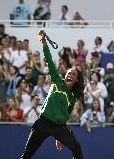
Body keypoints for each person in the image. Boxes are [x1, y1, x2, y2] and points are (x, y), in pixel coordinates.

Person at [20, 31, 84, 159]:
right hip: (43, 122)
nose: (70, 75)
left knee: (77, 148)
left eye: (73, 74)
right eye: (69, 73)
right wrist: (43, 42)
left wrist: (59, 137)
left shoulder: (72, 96)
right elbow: (49, 60)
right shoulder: (56, 79)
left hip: (59, 127)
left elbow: (67, 113)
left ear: (76, 80)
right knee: (26, 155)